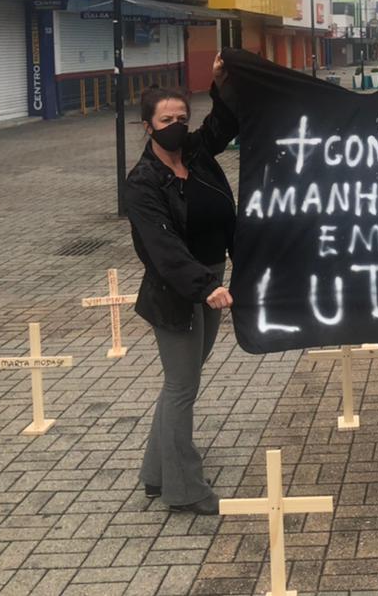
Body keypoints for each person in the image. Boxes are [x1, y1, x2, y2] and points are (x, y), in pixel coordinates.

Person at [125, 57, 238, 515]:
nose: (176, 126)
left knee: (182, 382)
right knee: (181, 386)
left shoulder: (194, 153)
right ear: (147, 126)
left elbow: (223, 126)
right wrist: (203, 286)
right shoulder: (142, 182)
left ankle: (156, 473)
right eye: (166, 120)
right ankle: (185, 489)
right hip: (177, 291)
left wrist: (220, 83)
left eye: (181, 118)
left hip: (211, 281)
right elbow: (162, 247)